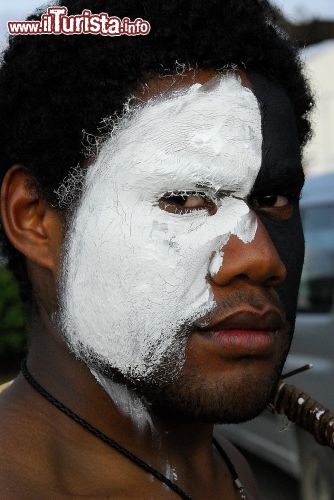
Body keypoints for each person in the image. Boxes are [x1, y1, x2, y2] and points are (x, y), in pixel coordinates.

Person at [0, 0, 313, 498]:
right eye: (184, 199)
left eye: (272, 199)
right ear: (34, 219)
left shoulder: (224, 469)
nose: (262, 259)